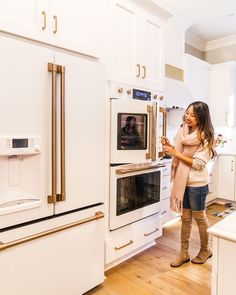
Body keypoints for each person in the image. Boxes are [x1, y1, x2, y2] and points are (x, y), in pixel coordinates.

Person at [161, 101, 216, 267]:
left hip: (197, 185)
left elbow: (198, 163)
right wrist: (171, 146)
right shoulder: (183, 131)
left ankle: (206, 249)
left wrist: (175, 152)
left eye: (193, 115)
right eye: (187, 113)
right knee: (185, 218)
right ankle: (183, 253)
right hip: (182, 183)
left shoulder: (206, 136)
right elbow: (181, 154)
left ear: (201, 117)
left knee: (199, 218)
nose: (188, 117)